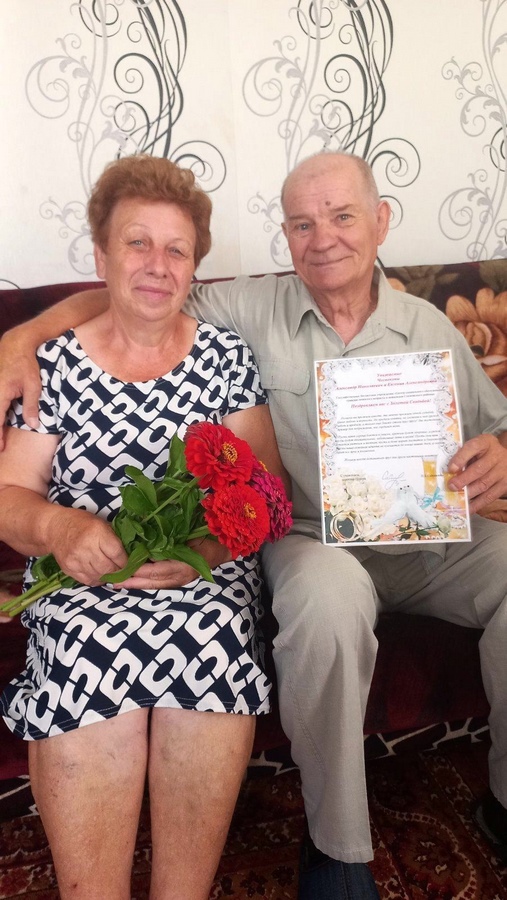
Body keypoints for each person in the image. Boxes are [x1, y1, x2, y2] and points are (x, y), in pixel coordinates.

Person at [2, 151, 507, 899]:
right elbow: (136, 294)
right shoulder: (244, 310)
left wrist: (500, 455)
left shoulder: (425, 325)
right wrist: (20, 339)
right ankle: (336, 850)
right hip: (303, 541)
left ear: (380, 222)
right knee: (319, 603)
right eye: (302, 223)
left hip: (421, 538)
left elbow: (495, 429)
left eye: (342, 217)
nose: (323, 238)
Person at [0, 154, 290, 900]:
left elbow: (266, 490)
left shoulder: (225, 358)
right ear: (101, 257)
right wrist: (58, 528)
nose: (157, 264)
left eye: (176, 249)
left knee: (213, 648)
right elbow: (9, 496)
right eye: (137, 243)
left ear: (193, 266)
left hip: (203, 582)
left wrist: (206, 547)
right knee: (86, 652)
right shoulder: (53, 365)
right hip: (82, 581)